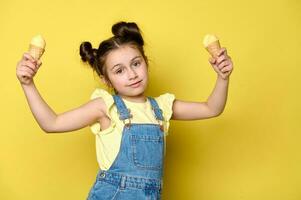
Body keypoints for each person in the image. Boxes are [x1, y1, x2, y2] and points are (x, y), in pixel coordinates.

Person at [16, 21, 233, 200]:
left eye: (136, 64)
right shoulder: (105, 107)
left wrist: (223, 77)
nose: (132, 74)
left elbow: (211, 108)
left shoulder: (161, 108)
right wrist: (28, 84)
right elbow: (51, 123)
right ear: (106, 79)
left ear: (146, 63)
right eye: (119, 70)